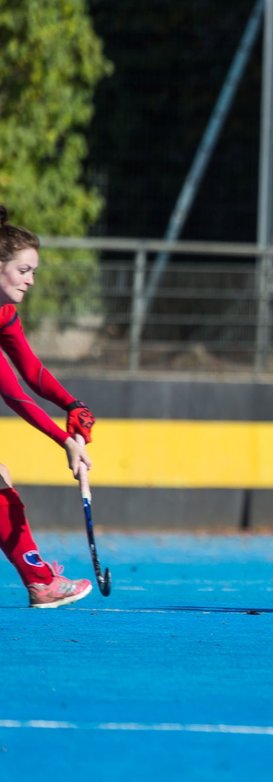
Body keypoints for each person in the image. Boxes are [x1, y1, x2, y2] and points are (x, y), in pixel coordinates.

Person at [0, 205, 97, 608]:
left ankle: (39, 579)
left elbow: (32, 372)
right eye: (24, 270)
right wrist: (64, 440)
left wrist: (72, 405)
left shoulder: (4, 312)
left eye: (34, 272)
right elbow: (13, 392)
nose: (31, 281)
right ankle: (39, 579)